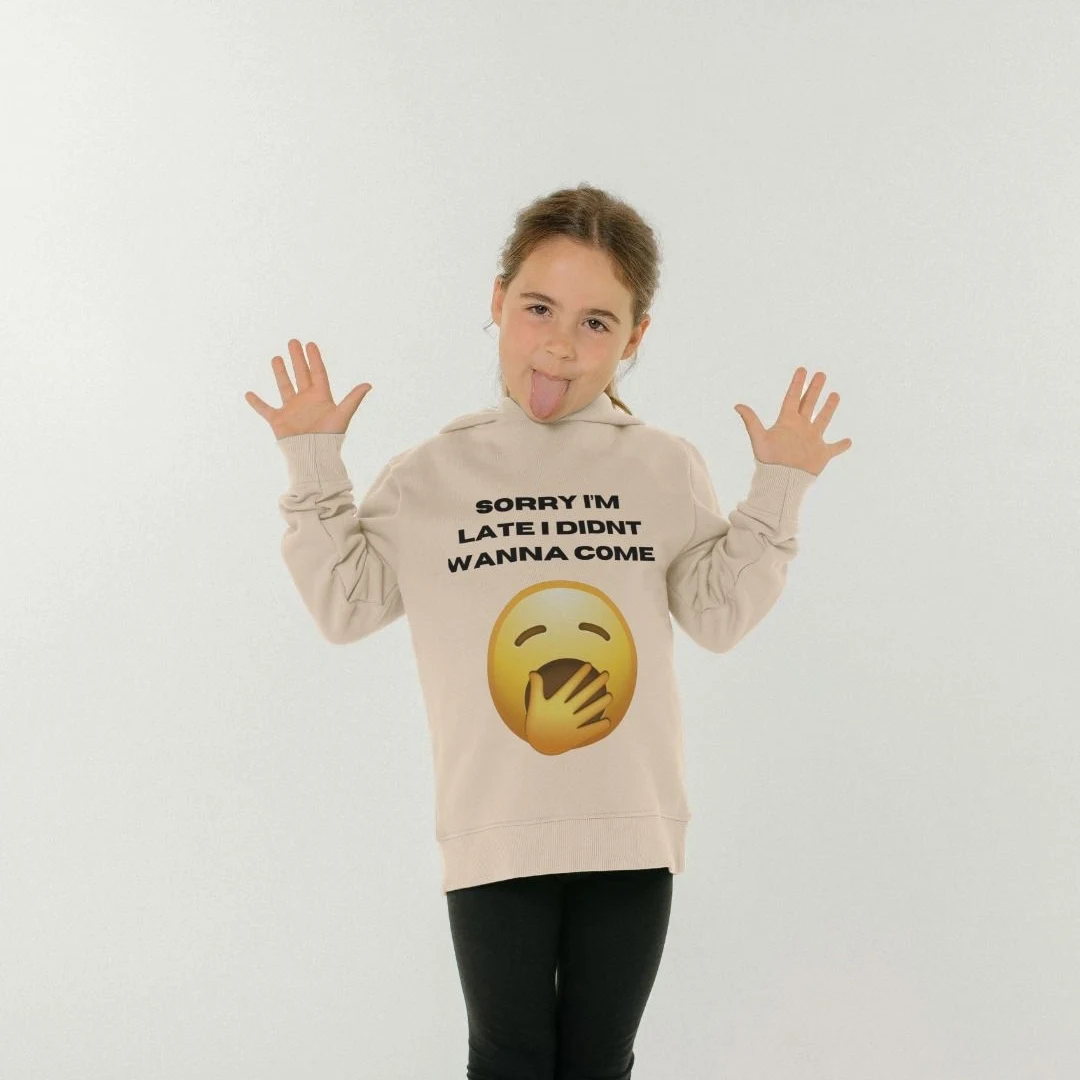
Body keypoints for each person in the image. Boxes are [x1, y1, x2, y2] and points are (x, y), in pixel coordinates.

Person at [245, 183, 852, 1079]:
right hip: (494, 829)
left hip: (629, 830)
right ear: (497, 303)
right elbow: (346, 605)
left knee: (600, 1062)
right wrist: (312, 467)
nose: (561, 343)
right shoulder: (430, 474)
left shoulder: (662, 465)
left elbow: (717, 614)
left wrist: (780, 489)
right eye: (538, 308)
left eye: (596, 322)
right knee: (509, 1060)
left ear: (635, 338)